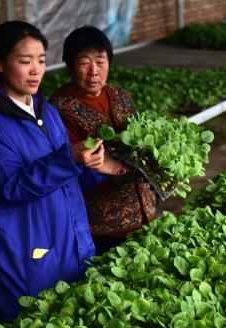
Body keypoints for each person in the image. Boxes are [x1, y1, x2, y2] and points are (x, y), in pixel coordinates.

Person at [0, 21, 125, 324]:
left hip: (68, 238)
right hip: (25, 250)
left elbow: (65, 176)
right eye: (25, 62)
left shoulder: (45, 111)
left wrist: (103, 167)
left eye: (40, 60)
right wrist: (70, 159)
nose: (36, 70)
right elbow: (11, 187)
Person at [51, 26, 156, 253]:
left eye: (100, 62)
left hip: (143, 213)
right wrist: (112, 170)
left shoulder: (120, 96)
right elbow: (67, 167)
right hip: (98, 225)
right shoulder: (59, 109)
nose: (94, 72)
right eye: (84, 63)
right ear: (70, 65)